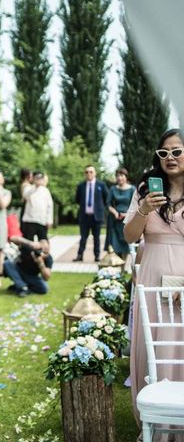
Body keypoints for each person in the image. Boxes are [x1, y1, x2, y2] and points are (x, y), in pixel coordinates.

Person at [124, 128, 184, 435]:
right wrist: (144, 209)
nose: (170, 158)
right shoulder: (145, 189)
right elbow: (130, 236)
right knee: (154, 347)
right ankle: (157, 422)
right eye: (164, 153)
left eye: (177, 151)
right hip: (152, 276)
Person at [74, 165, 109, 262]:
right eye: (86, 172)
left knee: (96, 238)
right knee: (83, 237)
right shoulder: (81, 186)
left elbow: (107, 198)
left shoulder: (101, 185)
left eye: (91, 172)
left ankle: (97, 256)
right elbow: (77, 199)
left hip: (96, 217)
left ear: (95, 173)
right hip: (84, 216)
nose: (89, 174)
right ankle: (80, 255)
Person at [105, 168, 135, 259]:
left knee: (124, 243)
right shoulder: (113, 189)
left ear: (126, 177)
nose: (119, 178)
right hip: (114, 219)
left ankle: (123, 266)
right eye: (117, 176)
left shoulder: (132, 189)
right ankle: (115, 267)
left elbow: (135, 205)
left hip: (126, 220)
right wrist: (115, 213)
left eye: (121, 175)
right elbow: (108, 204)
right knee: (114, 243)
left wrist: (126, 215)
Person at [21, 171, 54, 242]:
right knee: (28, 242)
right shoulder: (28, 188)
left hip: (42, 221)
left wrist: (49, 220)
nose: (39, 180)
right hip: (30, 220)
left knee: (44, 241)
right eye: (37, 178)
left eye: (40, 178)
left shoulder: (45, 191)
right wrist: (35, 186)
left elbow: (50, 206)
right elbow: (25, 195)